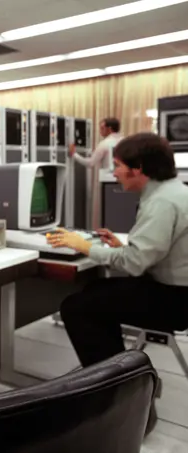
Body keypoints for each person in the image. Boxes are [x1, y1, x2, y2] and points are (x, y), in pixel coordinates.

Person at [48, 132, 188, 435]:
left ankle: (120, 396)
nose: (114, 173)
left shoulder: (162, 202)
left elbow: (136, 263)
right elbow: (152, 251)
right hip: (174, 290)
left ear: (138, 168)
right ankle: (120, 373)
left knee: (76, 308)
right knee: (94, 295)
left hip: (174, 300)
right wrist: (118, 246)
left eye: (118, 165)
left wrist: (83, 246)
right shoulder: (172, 192)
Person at [69, 117, 123, 228]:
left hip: (108, 184)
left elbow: (90, 163)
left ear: (109, 129)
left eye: (102, 128)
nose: (100, 131)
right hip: (125, 183)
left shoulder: (105, 143)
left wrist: (74, 154)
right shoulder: (125, 141)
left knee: (110, 216)